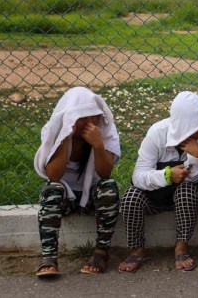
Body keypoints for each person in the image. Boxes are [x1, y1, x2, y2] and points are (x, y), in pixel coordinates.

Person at [118, 91, 198, 272]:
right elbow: (138, 177)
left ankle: (181, 247)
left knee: (187, 189)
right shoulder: (158, 133)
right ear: (183, 126)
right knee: (131, 197)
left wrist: (197, 156)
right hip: (154, 196)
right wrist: (166, 175)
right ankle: (137, 249)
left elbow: (195, 179)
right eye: (197, 126)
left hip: (185, 197)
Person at [33, 87, 121, 276]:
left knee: (109, 187)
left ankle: (101, 252)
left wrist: (98, 145)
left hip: (93, 198)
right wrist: (65, 136)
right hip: (65, 198)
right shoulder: (56, 130)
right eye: (82, 118)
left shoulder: (105, 131)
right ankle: (49, 258)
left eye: (94, 117)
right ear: (70, 117)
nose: (90, 123)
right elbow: (54, 176)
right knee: (51, 189)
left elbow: (105, 173)